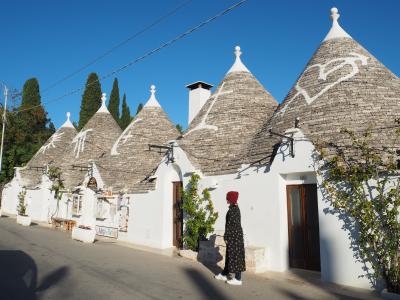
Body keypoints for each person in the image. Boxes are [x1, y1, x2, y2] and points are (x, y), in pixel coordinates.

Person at [214, 191, 246, 285]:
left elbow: (231, 226)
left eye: (227, 198)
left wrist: (226, 236)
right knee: (230, 256)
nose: (226, 200)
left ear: (231, 199)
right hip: (235, 236)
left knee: (236, 257)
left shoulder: (233, 210)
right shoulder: (235, 208)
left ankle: (238, 279)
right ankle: (224, 274)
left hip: (234, 237)